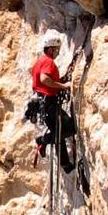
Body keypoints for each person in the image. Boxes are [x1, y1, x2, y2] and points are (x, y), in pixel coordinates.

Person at [32, 30, 76, 172]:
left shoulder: (40, 61)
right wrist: (63, 86)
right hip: (49, 102)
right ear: (51, 49)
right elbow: (45, 79)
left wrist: (59, 81)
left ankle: (66, 165)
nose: (57, 52)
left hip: (42, 103)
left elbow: (44, 80)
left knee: (58, 131)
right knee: (69, 128)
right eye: (56, 49)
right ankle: (42, 140)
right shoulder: (48, 62)